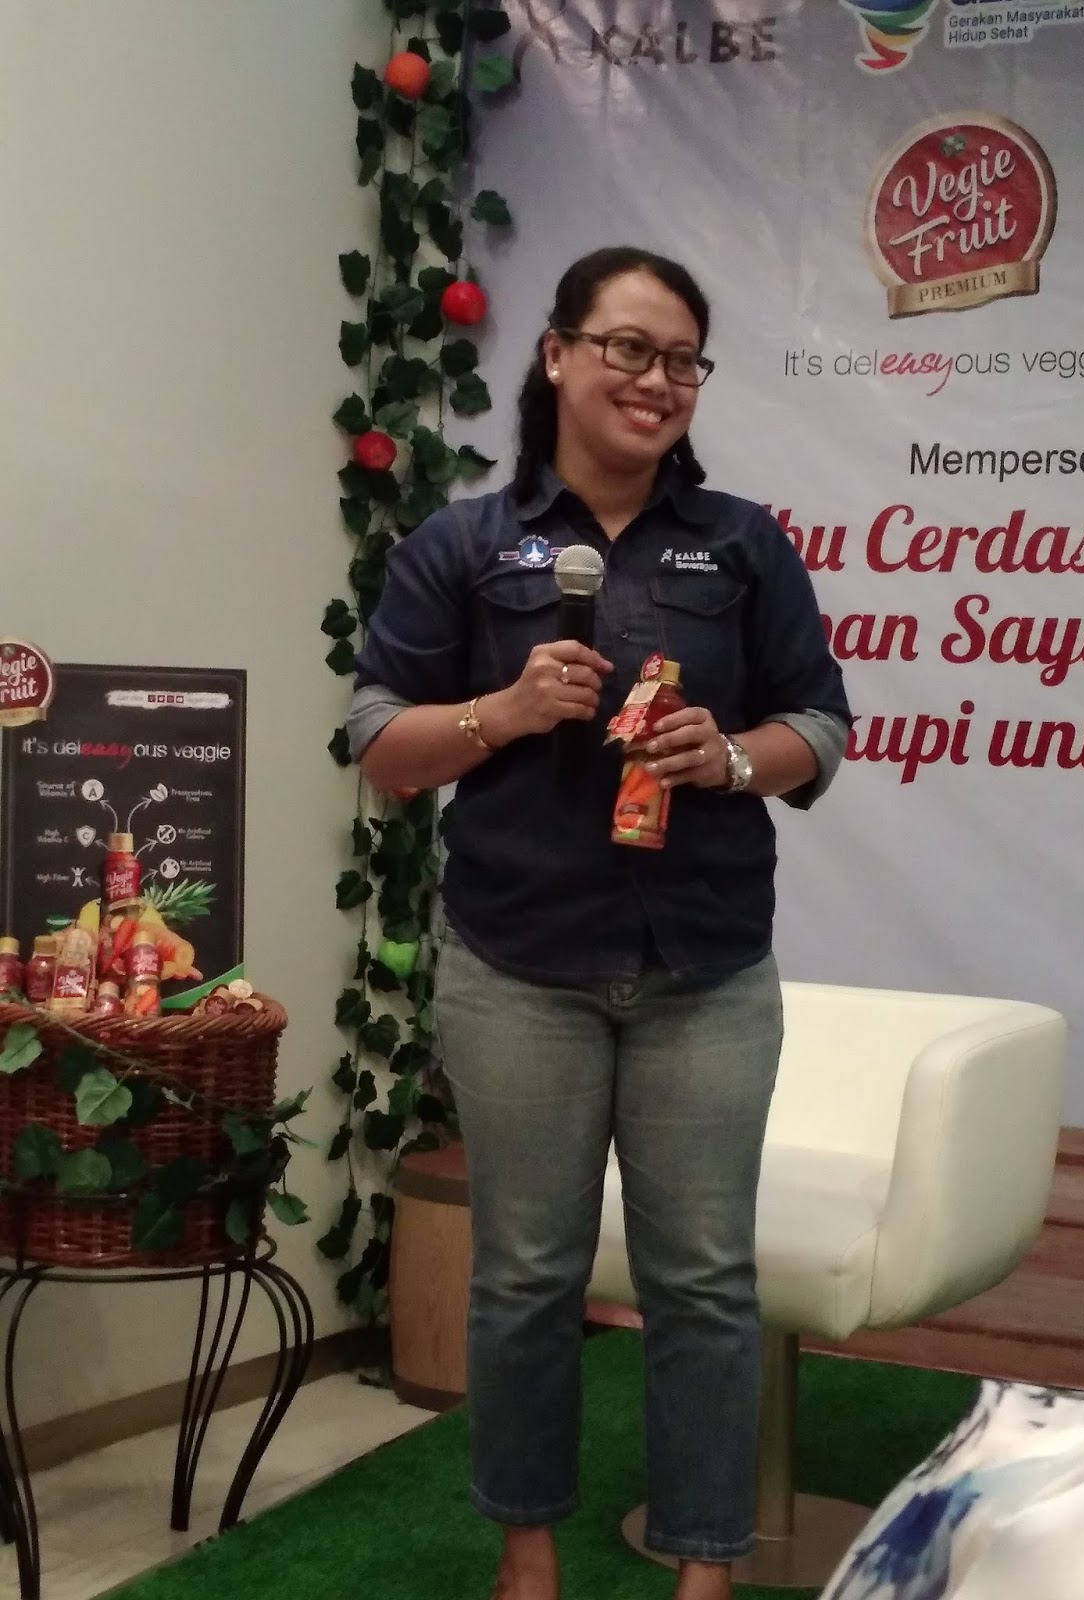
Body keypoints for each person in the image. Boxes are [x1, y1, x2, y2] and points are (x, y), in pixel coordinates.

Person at [350, 246, 851, 1600]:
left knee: (704, 1282)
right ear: (558, 354)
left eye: (682, 359)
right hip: (519, 968)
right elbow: (381, 745)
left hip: (705, 968)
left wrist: (728, 757)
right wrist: (503, 713)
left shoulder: (743, 543)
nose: (657, 380)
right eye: (629, 347)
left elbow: (819, 725)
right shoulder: (463, 545)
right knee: (526, 1276)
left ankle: (705, 1571)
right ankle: (527, 1557)